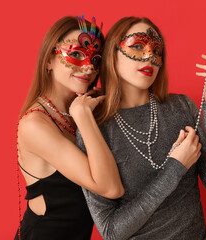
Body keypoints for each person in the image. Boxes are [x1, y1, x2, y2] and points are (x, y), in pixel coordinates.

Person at [76, 17, 206, 240]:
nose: (150, 56)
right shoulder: (96, 127)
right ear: (112, 54)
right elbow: (111, 231)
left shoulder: (181, 107)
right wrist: (176, 166)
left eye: (157, 50)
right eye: (138, 46)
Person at [14, 15, 124, 240]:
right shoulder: (35, 123)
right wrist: (83, 116)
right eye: (75, 54)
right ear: (48, 61)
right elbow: (111, 189)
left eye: (95, 59)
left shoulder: (81, 110)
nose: (88, 67)